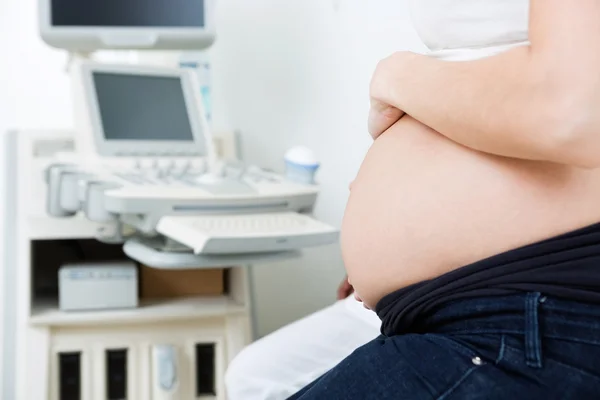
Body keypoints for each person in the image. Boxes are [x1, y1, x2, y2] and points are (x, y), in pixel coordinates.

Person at [231, 0, 600, 398]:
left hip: (527, 306)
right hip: (456, 303)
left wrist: (396, 76)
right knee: (257, 374)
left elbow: (571, 111)